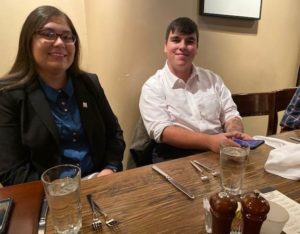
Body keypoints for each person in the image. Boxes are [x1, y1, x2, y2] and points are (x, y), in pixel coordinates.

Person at [0, 5, 125, 186]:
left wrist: (110, 168)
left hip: (99, 182)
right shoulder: (8, 94)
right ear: (28, 41)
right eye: (49, 34)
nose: (60, 43)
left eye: (67, 37)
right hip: (46, 195)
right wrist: (61, 190)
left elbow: (114, 134)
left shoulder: (89, 83)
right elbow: (11, 170)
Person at [139, 17, 251, 162]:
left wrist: (235, 134)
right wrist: (210, 142)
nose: (183, 46)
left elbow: (230, 114)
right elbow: (163, 131)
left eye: (190, 41)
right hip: (174, 157)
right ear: (165, 46)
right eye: (176, 40)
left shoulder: (213, 79)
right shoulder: (153, 86)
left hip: (219, 150)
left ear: (197, 48)